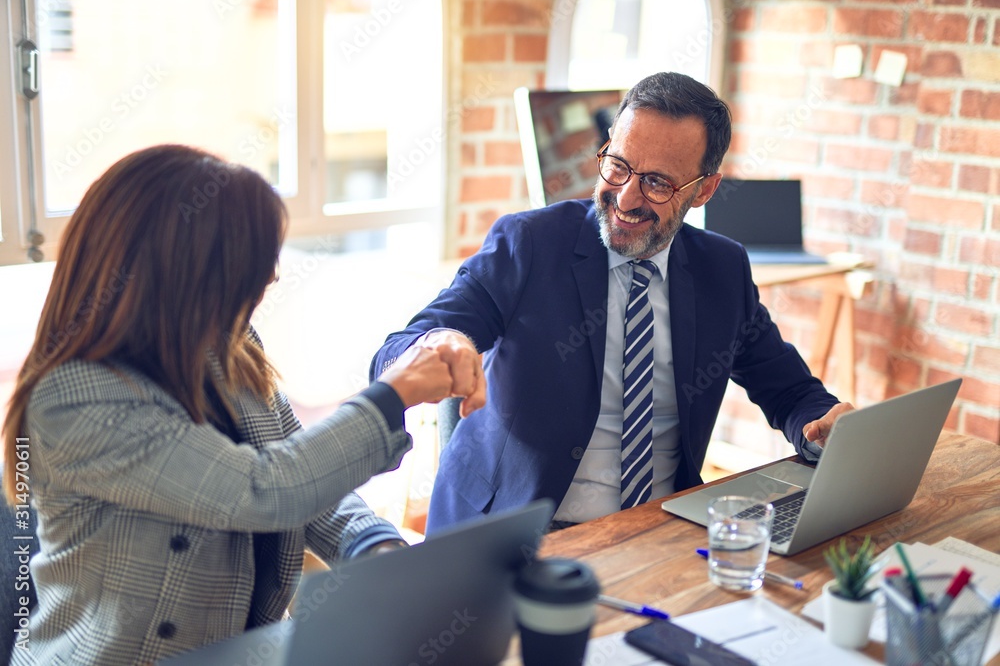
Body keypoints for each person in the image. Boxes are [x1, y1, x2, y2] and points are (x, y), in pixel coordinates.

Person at [1, 144, 479, 666]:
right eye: (253, 258)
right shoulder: (74, 401)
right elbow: (264, 488)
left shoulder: (228, 346)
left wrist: (373, 548)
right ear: (179, 270)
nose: (271, 275)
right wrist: (394, 391)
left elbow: (306, 475)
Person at [370, 72, 853, 534]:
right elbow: (400, 347)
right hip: (518, 534)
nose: (625, 197)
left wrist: (824, 424)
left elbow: (789, 391)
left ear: (704, 189)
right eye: (617, 165)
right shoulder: (529, 244)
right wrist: (439, 343)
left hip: (660, 530)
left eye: (658, 183)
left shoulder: (721, 270)